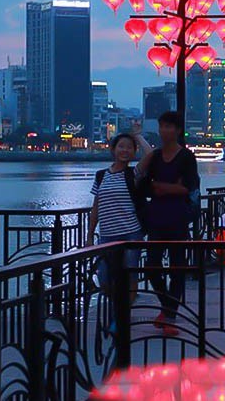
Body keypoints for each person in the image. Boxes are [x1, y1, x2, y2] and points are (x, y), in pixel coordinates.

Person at [140, 111, 200, 335]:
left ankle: (170, 315)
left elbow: (188, 187)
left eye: (169, 126)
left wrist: (162, 187)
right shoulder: (155, 157)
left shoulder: (186, 157)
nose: (164, 130)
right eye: (162, 126)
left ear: (177, 130)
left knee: (177, 266)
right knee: (152, 266)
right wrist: (169, 186)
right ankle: (166, 307)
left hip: (177, 216)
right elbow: (146, 184)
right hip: (156, 216)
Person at [87, 125, 153, 314]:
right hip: (107, 235)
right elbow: (96, 207)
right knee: (104, 278)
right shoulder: (101, 176)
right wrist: (90, 235)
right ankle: (118, 308)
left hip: (131, 233)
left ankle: (123, 314)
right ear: (113, 149)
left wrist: (138, 136)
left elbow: (150, 155)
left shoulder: (133, 174)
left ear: (133, 152)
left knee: (130, 275)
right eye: (121, 146)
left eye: (129, 147)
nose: (125, 150)